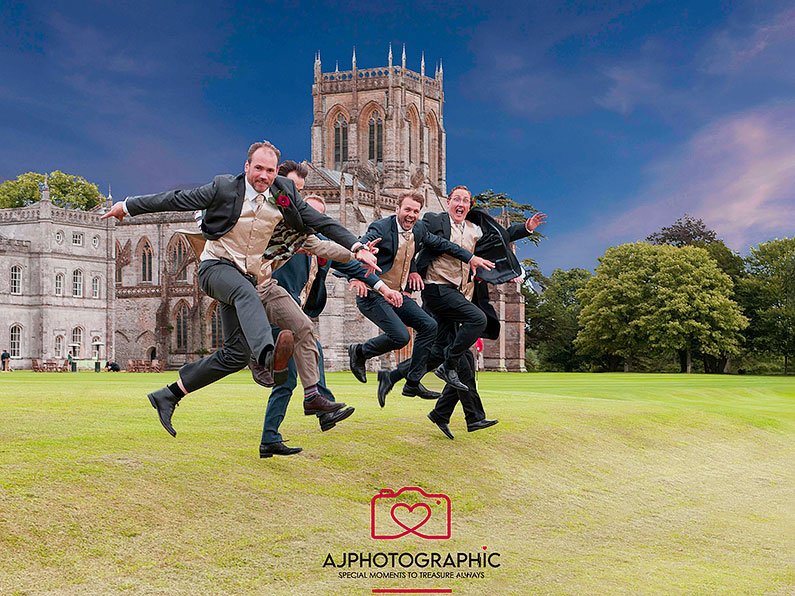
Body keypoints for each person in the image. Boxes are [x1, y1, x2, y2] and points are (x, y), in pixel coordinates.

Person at [102, 141, 380, 438]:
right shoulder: (224, 188)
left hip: (256, 280)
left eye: (270, 170)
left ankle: (171, 395)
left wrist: (357, 247)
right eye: (258, 168)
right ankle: (266, 357)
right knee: (245, 292)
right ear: (246, 167)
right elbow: (177, 198)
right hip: (216, 269)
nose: (263, 175)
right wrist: (127, 206)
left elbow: (321, 223)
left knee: (284, 331)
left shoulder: (284, 194)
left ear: (276, 172)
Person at [383, 184, 547, 438]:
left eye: (466, 201)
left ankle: (447, 412)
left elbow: (500, 237)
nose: (461, 204)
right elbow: (412, 241)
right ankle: (443, 379)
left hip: (456, 297)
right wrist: (413, 269)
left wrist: (525, 229)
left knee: (463, 361)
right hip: (437, 292)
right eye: (456, 199)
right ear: (448, 202)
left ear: (470, 206)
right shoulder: (434, 220)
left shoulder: (474, 230)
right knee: (474, 323)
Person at [344, 190, 494, 407]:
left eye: (415, 211)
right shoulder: (380, 228)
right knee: (401, 337)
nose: (411, 215)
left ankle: (412, 382)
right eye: (407, 209)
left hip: (397, 294)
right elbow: (359, 248)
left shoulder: (419, 228)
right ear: (397, 209)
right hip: (372, 294)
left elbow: (443, 245)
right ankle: (359, 351)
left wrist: (470, 257)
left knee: (429, 326)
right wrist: (354, 276)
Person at [258, 193, 374, 458]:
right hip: (277, 315)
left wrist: (364, 260)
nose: (312, 219)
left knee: (286, 381)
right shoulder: (285, 241)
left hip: (297, 315)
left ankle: (270, 438)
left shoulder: (317, 243)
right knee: (311, 349)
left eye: (318, 215)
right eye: (309, 212)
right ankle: (320, 406)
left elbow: (343, 260)